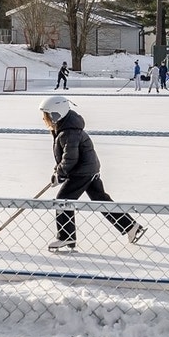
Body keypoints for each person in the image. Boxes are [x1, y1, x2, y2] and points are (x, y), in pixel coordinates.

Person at [40, 95, 142, 252]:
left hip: (82, 172)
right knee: (100, 199)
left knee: (62, 200)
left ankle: (66, 236)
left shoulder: (69, 132)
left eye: (46, 115)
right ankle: (130, 226)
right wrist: (58, 172)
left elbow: (70, 158)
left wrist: (60, 173)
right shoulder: (65, 128)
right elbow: (67, 156)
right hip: (88, 169)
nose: (43, 119)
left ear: (56, 114)